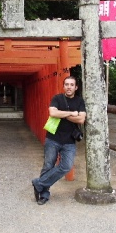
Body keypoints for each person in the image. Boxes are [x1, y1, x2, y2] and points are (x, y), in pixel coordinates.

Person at [32, 76, 86, 205]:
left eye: (71, 85)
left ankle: (38, 183)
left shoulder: (79, 101)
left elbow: (81, 120)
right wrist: (72, 113)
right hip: (53, 138)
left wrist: (64, 114)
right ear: (63, 87)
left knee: (66, 166)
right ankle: (44, 194)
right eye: (66, 84)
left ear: (76, 87)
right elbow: (53, 113)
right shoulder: (57, 98)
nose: (69, 87)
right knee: (48, 166)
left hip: (69, 141)